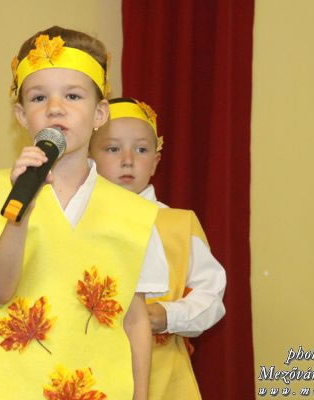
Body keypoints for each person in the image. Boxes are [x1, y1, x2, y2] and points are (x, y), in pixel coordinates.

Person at [0, 27, 169, 400]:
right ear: (22, 115)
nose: (55, 108)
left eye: (72, 95)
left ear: (99, 113)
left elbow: (136, 320)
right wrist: (20, 212)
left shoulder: (134, 212)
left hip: (102, 387)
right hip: (15, 385)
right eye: (39, 97)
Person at [89, 97, 227, 399]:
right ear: (89, 158)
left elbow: (211, 296)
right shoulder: (76, 222)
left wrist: (169, 315)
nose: (128, 160)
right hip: (91, 371)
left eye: (141, 150)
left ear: (155, 161)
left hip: (164, 378)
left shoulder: (178, 225)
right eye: (112, 149)